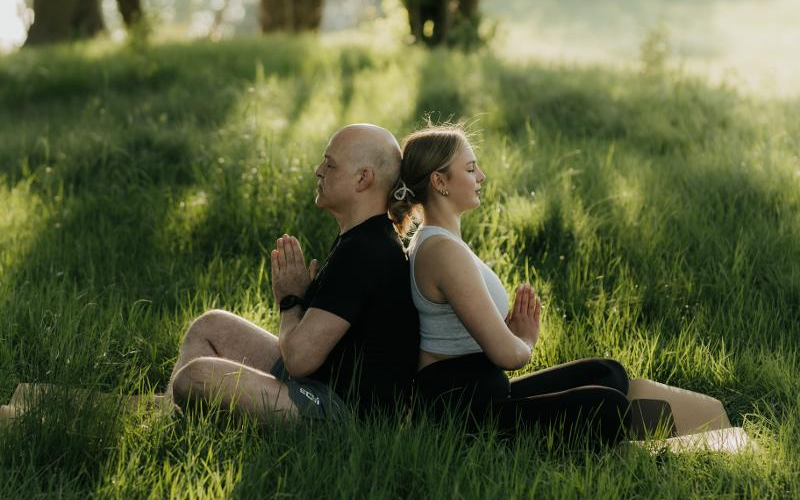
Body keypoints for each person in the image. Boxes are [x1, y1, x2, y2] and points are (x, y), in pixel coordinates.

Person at [387, 124, 630, 443]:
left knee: (607, 372)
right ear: (440, 181)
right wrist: (525, 340)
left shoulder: (441, 241)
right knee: (607, 407)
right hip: (461, 412)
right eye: (471, 169)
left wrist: (510, 336)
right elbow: (507, 356)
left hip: (485, 391)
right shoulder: (442, 251)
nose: (481, 176)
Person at [165, 123, 420, 422]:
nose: (318, 170)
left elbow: (299, 361)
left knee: (196, 377)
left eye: (330, 163)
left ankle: (168, 411)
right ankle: (169, 413)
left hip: (343, 413)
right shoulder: (363, 237)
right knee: (211, 326)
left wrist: (290, 301)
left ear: (363, 178)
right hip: (323, 381)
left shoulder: (366, 251)